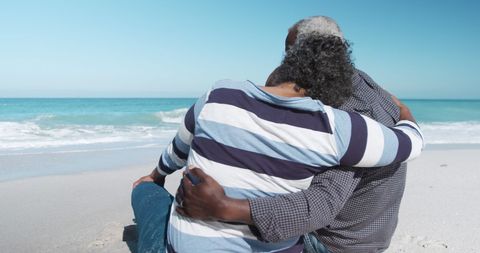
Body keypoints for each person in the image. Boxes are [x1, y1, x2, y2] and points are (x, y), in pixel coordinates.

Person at [132, 32, 424, 252]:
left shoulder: (217, 94)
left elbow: (179, 146)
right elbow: (412, 142)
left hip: (334, 243)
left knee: (146, 193)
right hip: (358, 237)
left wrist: (221, 205)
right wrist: (405, 112)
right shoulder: (342, 126)